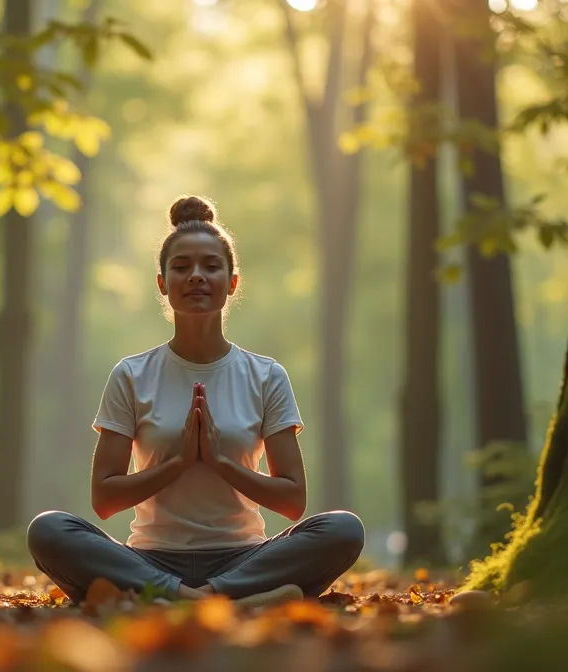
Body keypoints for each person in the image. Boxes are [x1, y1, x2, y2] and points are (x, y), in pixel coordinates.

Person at [27, 194, 365, 608]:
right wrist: (178, 463)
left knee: (344, 529)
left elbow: (292, 501)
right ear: (162, 284)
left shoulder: (265, 375)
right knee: (49, 530)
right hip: (150, 557)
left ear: (232, 281)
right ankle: (213, 599)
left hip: (244, 557)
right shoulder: (132, 375)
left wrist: (221, 462)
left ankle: (182, 597)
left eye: (210, 266)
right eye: (181, 267)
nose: (196, 277)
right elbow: (105, 498)